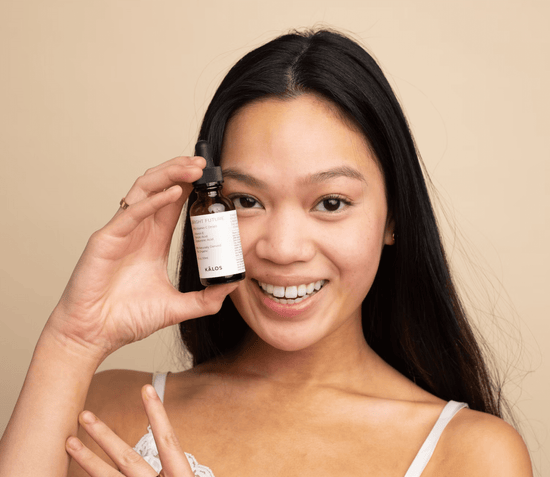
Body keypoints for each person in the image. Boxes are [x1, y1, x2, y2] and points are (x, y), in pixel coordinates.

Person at [0, 28, 533, 477]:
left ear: (394, 217)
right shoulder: (109, 413)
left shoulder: (470, 454)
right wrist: (74, 339)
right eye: (247, 200)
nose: (281, 248)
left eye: (330, 202)